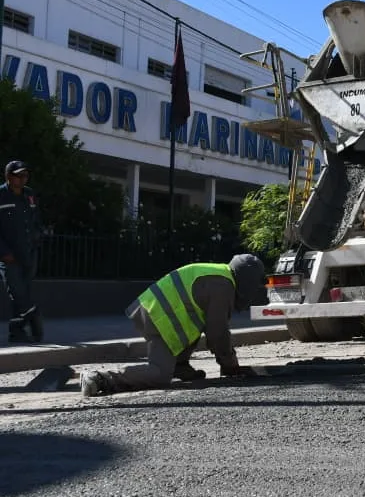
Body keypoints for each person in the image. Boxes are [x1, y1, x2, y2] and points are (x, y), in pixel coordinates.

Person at [80, 254, 266, 397]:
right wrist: (231, 365)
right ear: (247, 281)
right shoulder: (223, 286)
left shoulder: (220, 275)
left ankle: (180, 365)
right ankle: (99, 378)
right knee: (159, 374)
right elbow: (217, 333)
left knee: (196, 322)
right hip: (158, 317)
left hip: (156, 312)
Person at [0, 160, 43, 344]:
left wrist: (37, 236)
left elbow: (35, 219)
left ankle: (16, 331)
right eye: (19, 175)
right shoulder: (1, 195)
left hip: (28, 253)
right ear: (9, 177)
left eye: (25, 175)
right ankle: (34, 317)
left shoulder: (29, 194)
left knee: (21, 294)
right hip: (9, 256)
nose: (23, 178)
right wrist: (3, 252)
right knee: (18, 292)